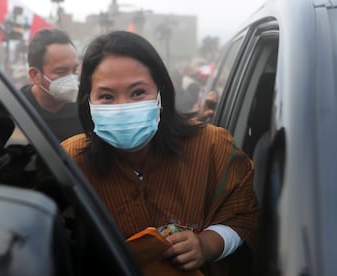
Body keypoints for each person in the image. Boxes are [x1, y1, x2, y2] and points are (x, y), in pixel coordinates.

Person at [61, 31, 258, 275]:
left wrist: (207, 244)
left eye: (137, 93)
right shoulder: (69, 160)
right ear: (87, 101)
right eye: (106, 96)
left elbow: (243, 216)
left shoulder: (211, 147)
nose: (123, 107)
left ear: (161, 92)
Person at [21, 28, 83, 142]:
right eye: (61, 71)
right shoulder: (17, 109)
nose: (71, 78)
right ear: (35, 75)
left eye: (75, 70)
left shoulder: (85, 109)